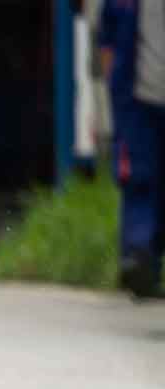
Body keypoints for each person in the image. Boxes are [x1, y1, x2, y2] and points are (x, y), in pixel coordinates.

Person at [100, 0, 165, 298]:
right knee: (139, 178)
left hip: (136, 98)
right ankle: (140, 260)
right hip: (136, 103)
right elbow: (108, 42)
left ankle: (143, 258)